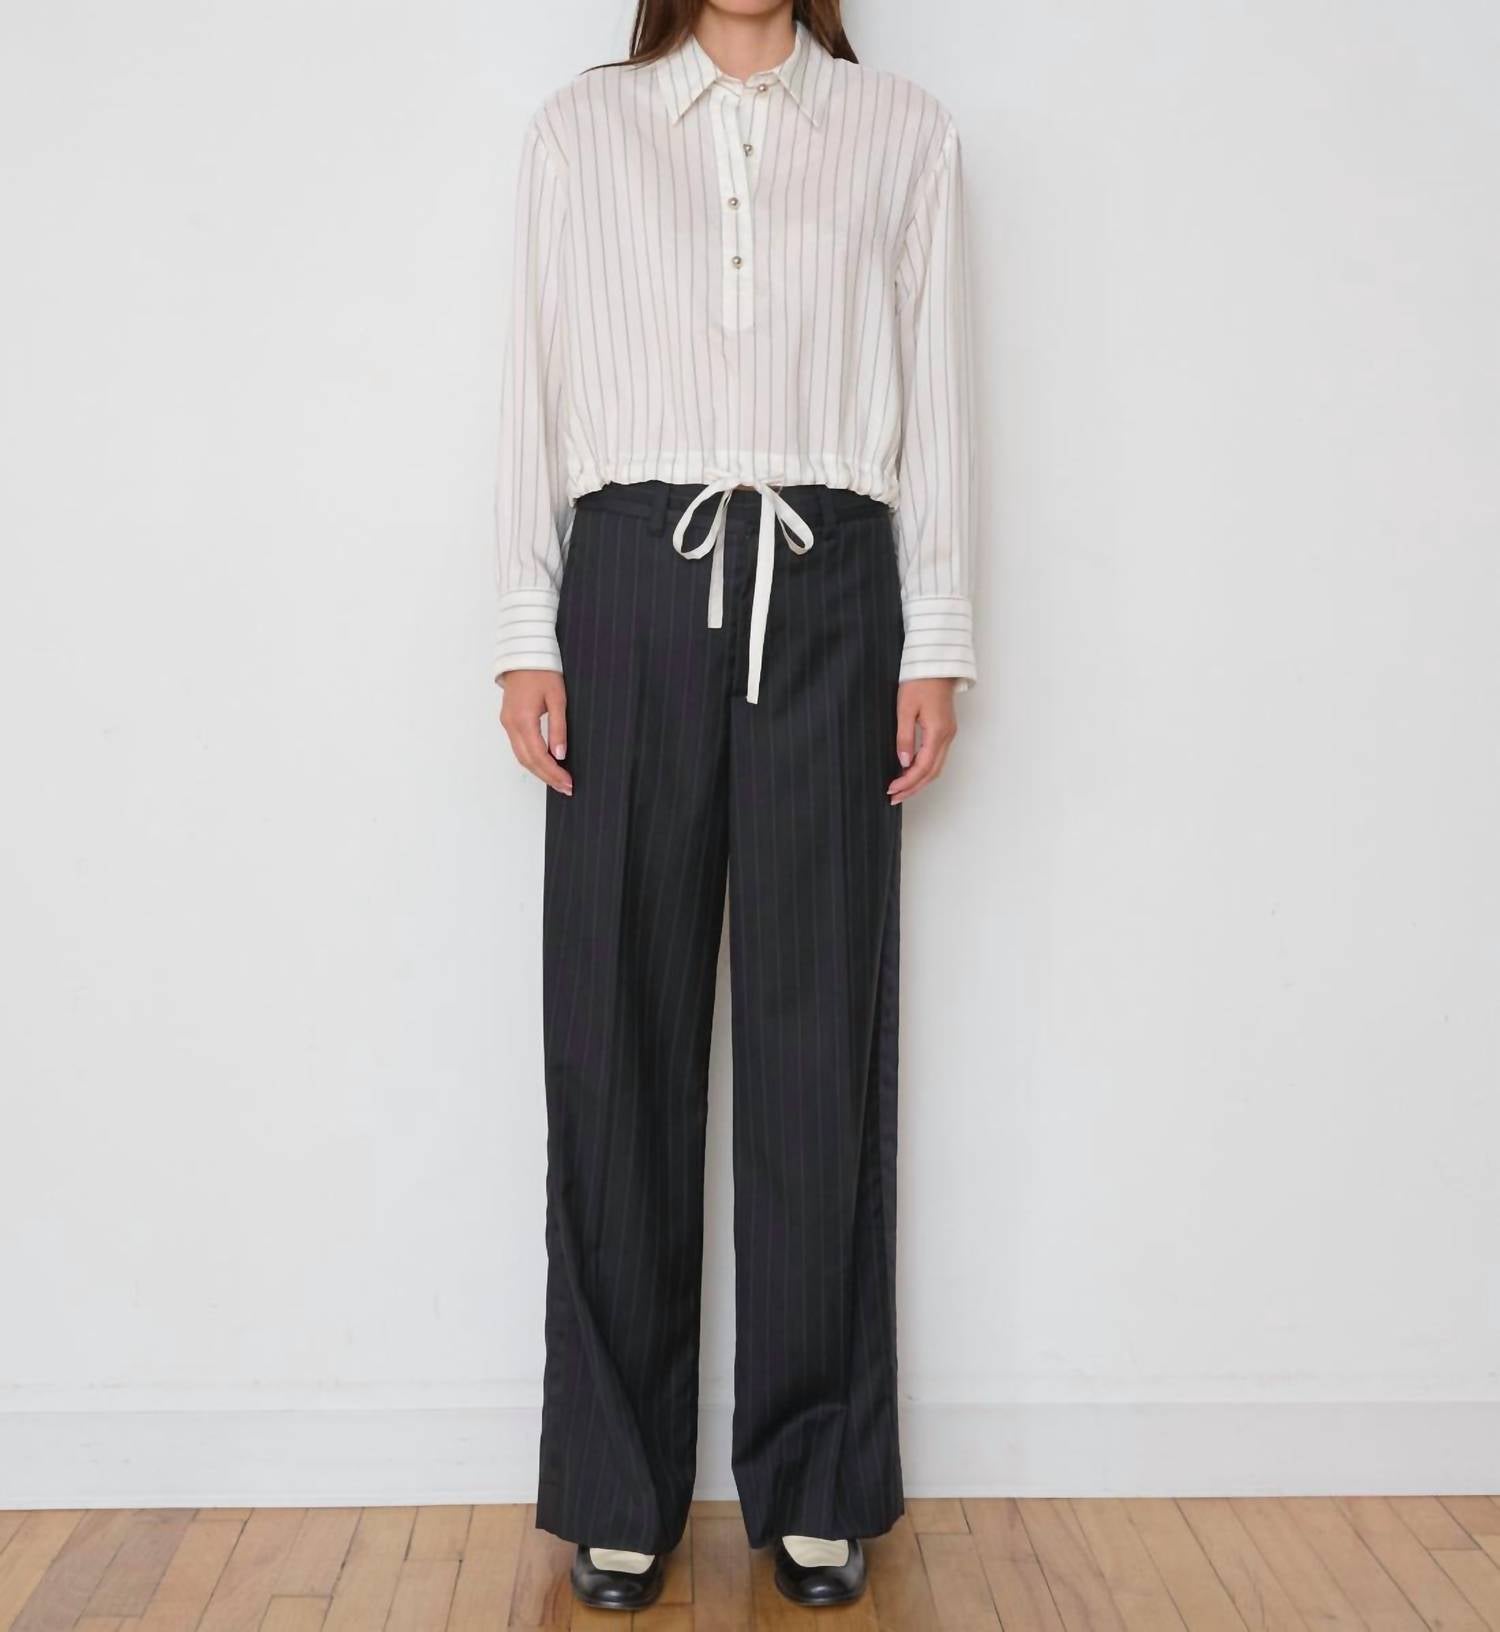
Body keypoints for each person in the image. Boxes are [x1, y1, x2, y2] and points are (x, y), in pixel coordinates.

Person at [492, 0, 975, 1610]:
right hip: (632, 578)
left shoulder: (903, 132)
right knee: (614, 1038)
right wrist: (525, 624)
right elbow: (532, 381)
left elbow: (941, 395)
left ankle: (816, 1477)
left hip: (833, 586)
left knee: (816, 1039)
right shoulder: (584, 129)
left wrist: (937, 635)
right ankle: (617, 1487)